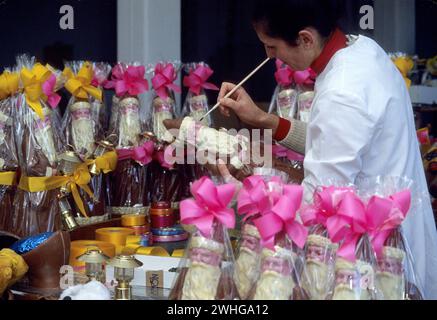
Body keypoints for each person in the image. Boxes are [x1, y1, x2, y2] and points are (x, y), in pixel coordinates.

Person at [215, 0, 437, 299]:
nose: (269, 56)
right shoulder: (362, 49)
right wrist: (263, 119)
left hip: (376, 261)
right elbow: (335, 141)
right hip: (393, 238)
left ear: (306, 38)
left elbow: (319, 201)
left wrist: (247, 196)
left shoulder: (342, 91)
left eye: (272, 46)